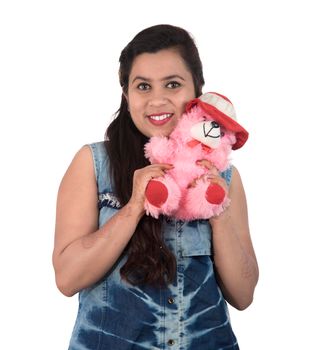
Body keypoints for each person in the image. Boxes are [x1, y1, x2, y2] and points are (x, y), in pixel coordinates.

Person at [52, 24, 259, 350]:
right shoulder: (93, 164)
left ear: (197, 91)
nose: (157, 100)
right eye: (143, 86)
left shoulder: (224, 178)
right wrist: (133, 207)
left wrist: (216, 213)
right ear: (127, 94)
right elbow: (67, 278)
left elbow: (244, 294)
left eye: (173, 84)